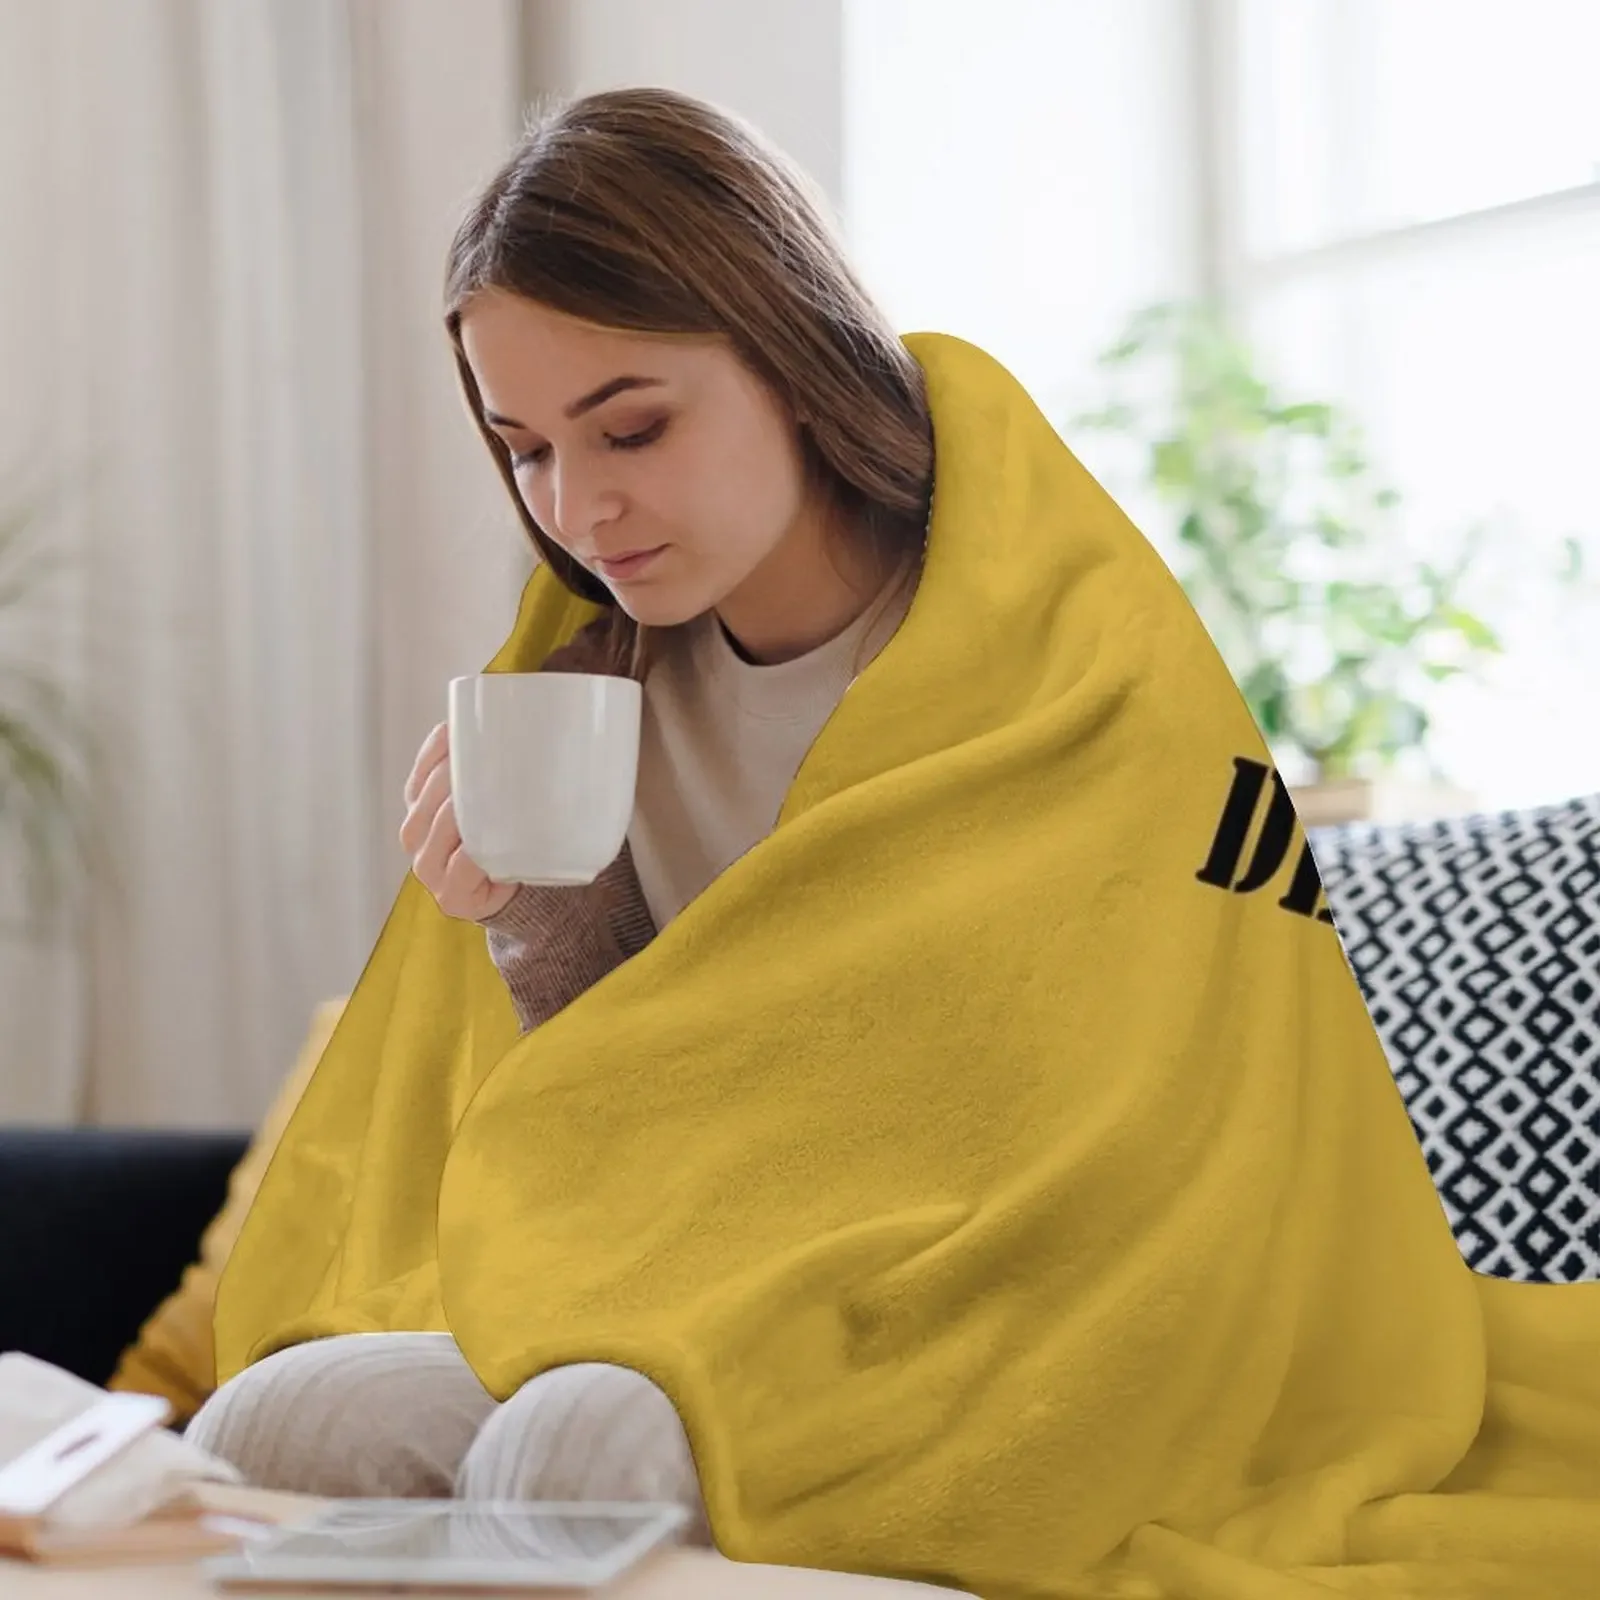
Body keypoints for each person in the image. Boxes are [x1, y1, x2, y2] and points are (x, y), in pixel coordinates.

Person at [187, 85, 929, 1537]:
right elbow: (633, 1118)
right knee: (275, 1419)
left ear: (789, 353)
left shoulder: (1015, 649)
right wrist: (530, 915)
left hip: (940, 1295)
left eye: (631, 429)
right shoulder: (593, 680)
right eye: (526, 449)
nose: (577, 510)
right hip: (676, 1281)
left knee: (582, 1441)